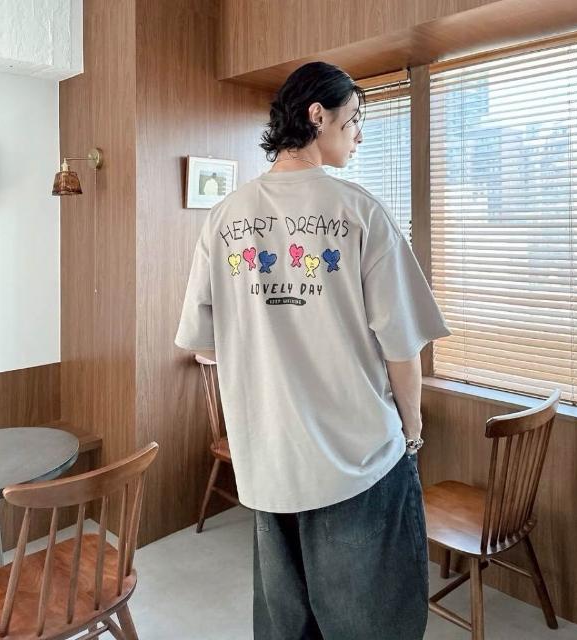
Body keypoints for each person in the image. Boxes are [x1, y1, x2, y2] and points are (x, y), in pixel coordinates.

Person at [174, 60, 451, 640]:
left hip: (267, 458)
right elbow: (402, 347)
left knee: (288, 626)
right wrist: (413, 429)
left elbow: (205, 346)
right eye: (355, 119)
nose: (359, 135)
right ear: (317, 115)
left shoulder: (224, 217)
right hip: (358, 459)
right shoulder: (359, 211)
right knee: (372, 623)